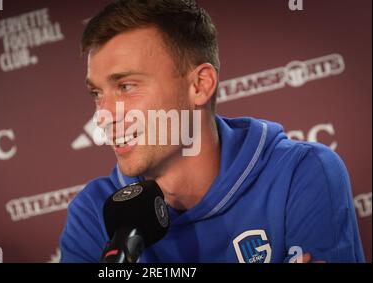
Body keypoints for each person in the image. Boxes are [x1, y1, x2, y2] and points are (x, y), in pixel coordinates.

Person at [60, 0, 365, 263]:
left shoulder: (301, 173)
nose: (104, 116)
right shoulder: (93, 214)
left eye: (126, 87)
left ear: (200, 85)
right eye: (97, 94)